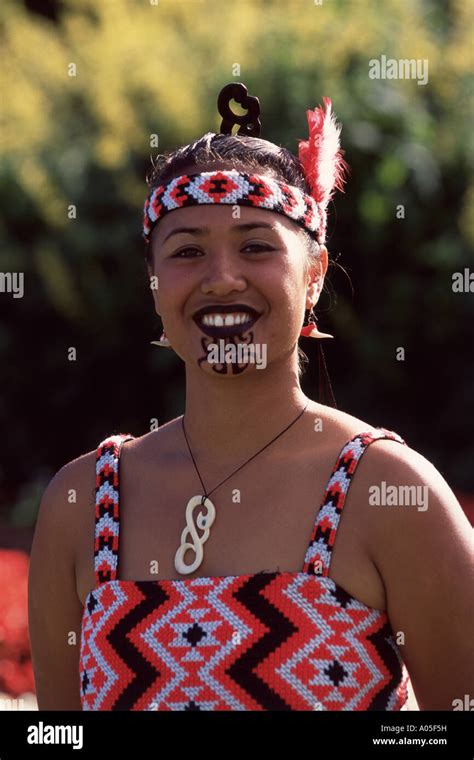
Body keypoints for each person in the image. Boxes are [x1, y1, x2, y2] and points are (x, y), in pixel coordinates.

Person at [28, 84, 473, 711]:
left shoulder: (389, 493)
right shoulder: (81, 506)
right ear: (154, 287)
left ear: (314, 276)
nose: (222, 279)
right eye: (187, 252)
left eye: (257, 246)